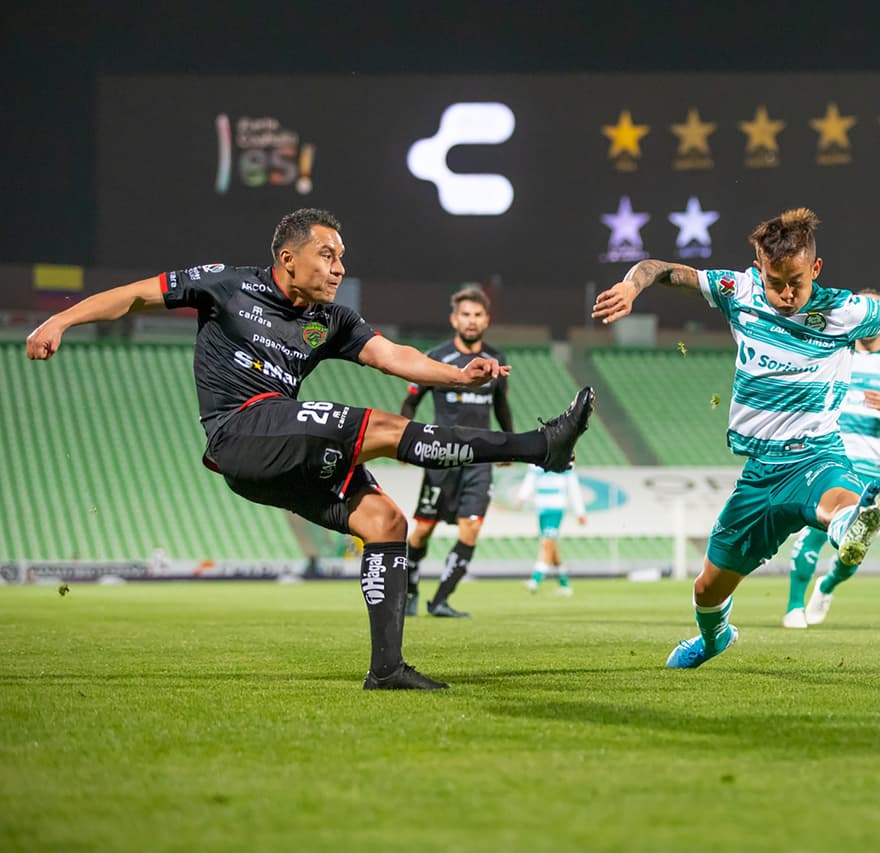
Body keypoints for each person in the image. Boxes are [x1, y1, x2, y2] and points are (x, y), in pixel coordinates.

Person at [25, 208, 595, 691]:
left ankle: (387, 668)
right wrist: (61, 319)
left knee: (384, 519)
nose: (339, 268)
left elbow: (395, 355)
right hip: (240, 431)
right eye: (327, 254)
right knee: (384, 428)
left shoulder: (332, 320)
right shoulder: (226, 284)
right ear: (289, 257)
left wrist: (459, 378)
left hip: (276, 456)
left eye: (342, 257)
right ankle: (540, 446)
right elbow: (133, 296)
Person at [591, 207, 880, 668]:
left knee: (841, 503)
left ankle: (854, 525)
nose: (784, 295)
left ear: (815, 269)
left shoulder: (843, 310)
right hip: (760, 473)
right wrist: (630, 285)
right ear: (759, 268)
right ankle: (715, 637)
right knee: (706, 588)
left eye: (795, 283)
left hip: (815, 455)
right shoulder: (738, 290)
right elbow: (665, 270)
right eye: (774, 282)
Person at [787, 290, 880, 628]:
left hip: (873, 465)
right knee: (813, 534)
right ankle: (793, 606)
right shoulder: (835, 352)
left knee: (856, 545)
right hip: (831, 458)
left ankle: (828, 585)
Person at [400, 286, 511, 620]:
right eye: (465, 314)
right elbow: (410, 401)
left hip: (480, 458)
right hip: (442, 457)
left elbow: (501, 405)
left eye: (478, 315)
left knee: (471, 529)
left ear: (487, 319)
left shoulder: (497, 360)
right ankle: (410, 592)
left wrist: (507, 442)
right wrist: (404, 439)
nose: (471, 321)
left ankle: (441, 600)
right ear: (454, 319)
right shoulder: (435, 357)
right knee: (422, 530)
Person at [516, 463, 587, 595]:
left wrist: (580, 511)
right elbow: (530, 479)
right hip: (541, 507)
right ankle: (564, 584)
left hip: (556, 506)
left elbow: (573, 487)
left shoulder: (566, 460)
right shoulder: (536, 460)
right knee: (551, 546)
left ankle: (535, 579)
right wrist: (522, 497)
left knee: (547, 543)